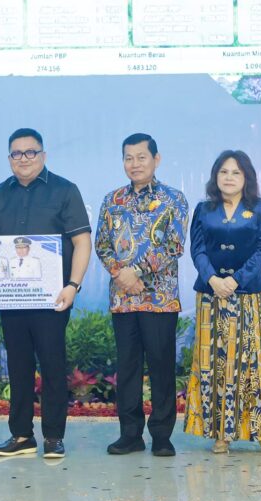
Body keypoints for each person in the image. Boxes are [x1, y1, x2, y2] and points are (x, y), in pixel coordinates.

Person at [0, 128, 92, 459]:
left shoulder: (64, 190)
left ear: (43, 155)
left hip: (52, 298)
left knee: (52, 365)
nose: (24, 159)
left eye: (30, 152)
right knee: (17, 367)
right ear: (9, 159)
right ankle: (21, 435)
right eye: (16, 153)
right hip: (11, 297)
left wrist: (73, 285)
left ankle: (54, 437)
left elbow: (82, 241)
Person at [183, 150, 261, 454]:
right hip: (210, 295)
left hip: (247, 294)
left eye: (236, 172)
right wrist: (213, 279)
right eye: (224, 172)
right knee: (214, 363)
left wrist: (237, 280)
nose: (229, 178)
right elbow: (197, 250)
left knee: (253, 361)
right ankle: (221, 434)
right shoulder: (204, 209)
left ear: (246, 177)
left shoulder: (260, 208)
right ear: (216, 177)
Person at [95, 133, 188, 457]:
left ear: (156, 159)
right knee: (128, 369)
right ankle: (130, 434)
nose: (134, 164)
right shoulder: (112, 200)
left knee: (161, 367)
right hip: (123, 299)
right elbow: (102, 245)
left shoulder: (173, 199)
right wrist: (120, 274)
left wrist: (136, 272)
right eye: (128, 158)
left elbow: (174, 245)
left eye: (141, 157)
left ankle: (162, 436)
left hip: (160, 299)